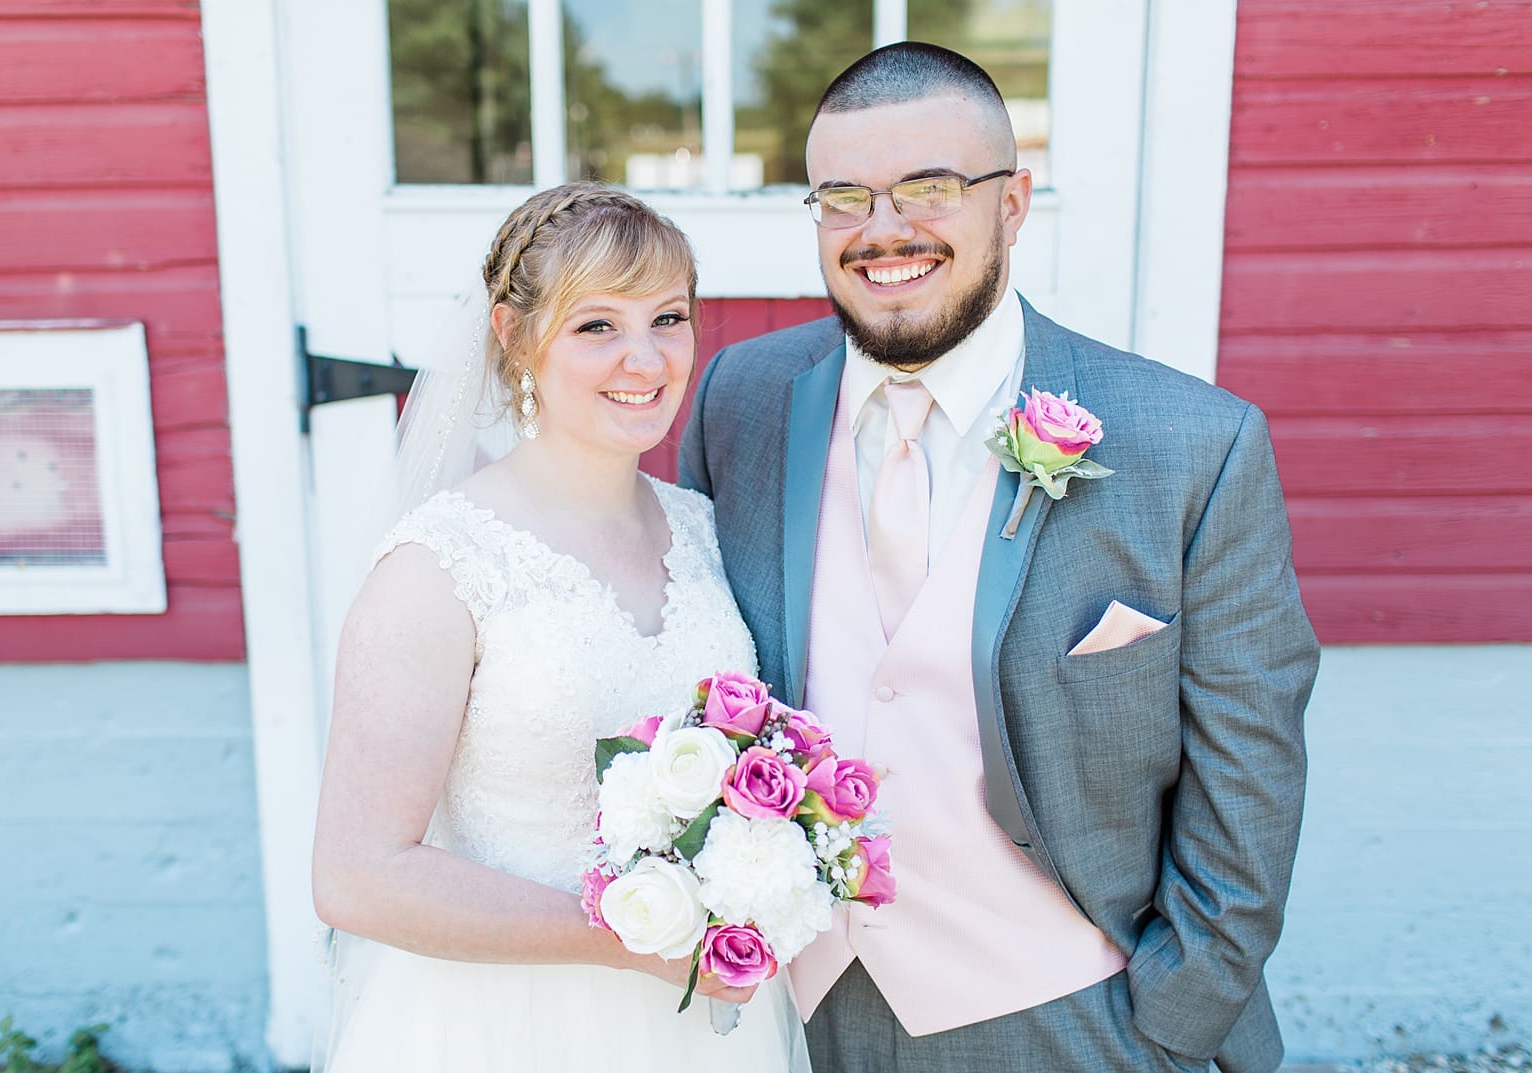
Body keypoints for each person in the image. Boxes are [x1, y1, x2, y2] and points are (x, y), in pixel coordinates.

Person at [680, 42, 1320, 1073]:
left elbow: (1249, 771)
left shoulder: (1190, 444)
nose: (882, 230)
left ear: (1012, 205)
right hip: (787, 1009)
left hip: (1072, 1010)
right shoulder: (739, 401)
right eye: (842, 197)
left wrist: (1174, 1012)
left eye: (927, 188)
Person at [311, 183, 809, 1073]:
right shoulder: (439, 567)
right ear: (513, 335)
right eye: (596, 326)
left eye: (667, 318)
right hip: (505, 1026)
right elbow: (357, 875)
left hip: (701, 1027)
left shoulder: (700, 529)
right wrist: (635, 940)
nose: (645, 359)